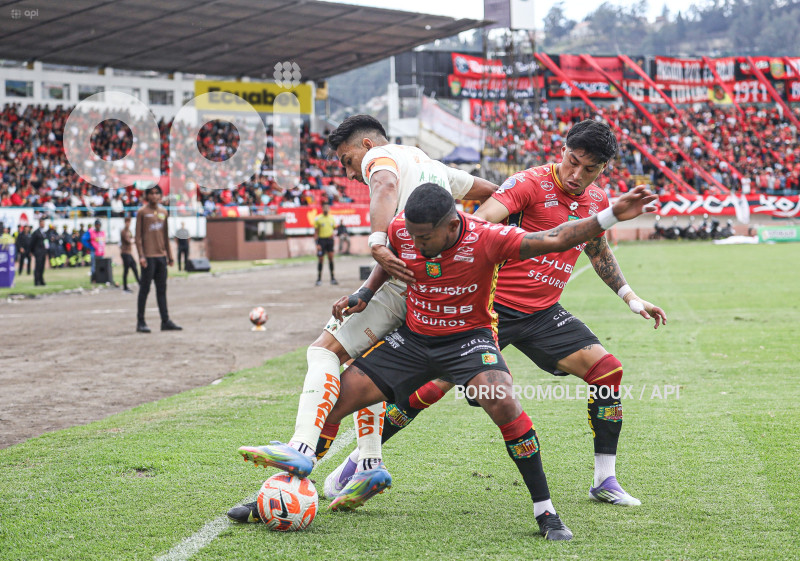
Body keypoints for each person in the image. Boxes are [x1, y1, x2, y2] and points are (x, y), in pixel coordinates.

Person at [234, 182, 657, 538]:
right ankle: (275, 496)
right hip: (414, 341)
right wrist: (364, 293)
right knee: (335, 401)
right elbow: (390, 259)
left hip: (470, 343)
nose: (416, 243)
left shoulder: (488, 237)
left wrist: (611, 216)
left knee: (505, 403)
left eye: (425, 237)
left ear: (452, 224)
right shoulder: (403, 229)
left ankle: (545, 511)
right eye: (412, 236)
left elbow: (557, 238)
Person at [326, 119, 667, 507]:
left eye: (589, 169)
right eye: (572, 162)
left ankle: (605, 480)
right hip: (491, 310)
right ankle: (358, 462)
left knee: (607, 371)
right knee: (427, 392)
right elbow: (478, 222)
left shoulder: (598, 201)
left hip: (542, 313)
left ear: (603, 168)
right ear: (563, 150)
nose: (576, 175)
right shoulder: (527, 184)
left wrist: (631, 297)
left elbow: (598, 250)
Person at [228, 114, 497, 518]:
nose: (348, 171)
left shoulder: (382, 159)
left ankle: (300, 449)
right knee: (365, 370)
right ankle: (369, 464)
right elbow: (495, 193)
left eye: (346, 159)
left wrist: (375, 241)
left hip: (401, 287)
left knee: (323, 354)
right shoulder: (431, 165)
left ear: (367, 147)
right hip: (429, 292)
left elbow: (385, 185)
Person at [135, 185, 181, 333]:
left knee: (162, 290)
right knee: (144, 290)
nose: (154, 196)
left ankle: (165, 321)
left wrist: (170, 255)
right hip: (148, 257)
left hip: (161, 257)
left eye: (157, 193)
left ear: (161, 196)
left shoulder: (163, 212)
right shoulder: (142, 212)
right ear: (147, 196)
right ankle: (140, 322)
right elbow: (138, 238)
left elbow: (166, 235)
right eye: (151, 193)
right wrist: (141, 256)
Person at [313, 202, 337, 286]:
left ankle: (333, 278)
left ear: (329, 208)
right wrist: (317, 244)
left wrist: (333, 234)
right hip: (321, 241)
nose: (326, 209)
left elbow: (334, 228)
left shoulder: (332, 218)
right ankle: (319, 279)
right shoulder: (318, 219)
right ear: (322, 209)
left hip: (329, 241)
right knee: (321, 259)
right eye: (324, 207)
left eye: (327, 207)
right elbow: (316, 232)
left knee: (331, 258)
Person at [120, 215, 139, 293]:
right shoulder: (123, 231)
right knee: (126, 270)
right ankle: (125, 287)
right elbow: (128, 240)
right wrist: (134, 240)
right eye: (127, 222)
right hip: (125, 252)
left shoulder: (129, 231)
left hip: (129, 252)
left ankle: (140, 283)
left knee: (134, 268)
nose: (128, 224)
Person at [30, 218, 48, 286]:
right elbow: (32, 243)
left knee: (42, 267)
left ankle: (41, 280)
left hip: (43, 252)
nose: (43, 224)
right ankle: (36, 281)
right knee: (38, 267)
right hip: (38, 252)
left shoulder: (44, 232)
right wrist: (32, 251)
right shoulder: (36, 232)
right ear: (39, 223)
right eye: (42, 223)